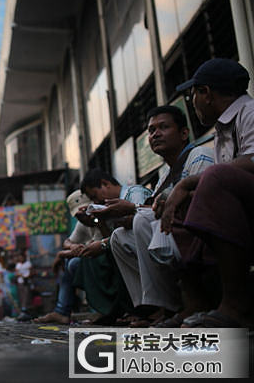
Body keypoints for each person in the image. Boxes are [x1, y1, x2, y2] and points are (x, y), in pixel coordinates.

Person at [161, 58, 254, 327]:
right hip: (242, 206)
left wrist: (186, 183)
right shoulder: (222, 129)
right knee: (181, 205)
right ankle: (199, 302)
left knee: (212, 179)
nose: (193, 101)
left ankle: (237, 306)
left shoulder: (249, 111)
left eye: (193, 94)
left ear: (206, 93)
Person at [109, 106, 214, 326]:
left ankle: (177, 307)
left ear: (184, 133)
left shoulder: (199, 156)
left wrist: (134, 210)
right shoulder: (164, 175)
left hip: (199, 232)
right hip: (173, 231)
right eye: (151, 130)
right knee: (119, 237)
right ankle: (155, 308)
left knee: (141, 221)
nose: (155, 134)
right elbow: (156, 209)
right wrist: (129, 214)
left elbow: (202, 202)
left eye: (163, 127)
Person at [72, 170, 152, 324]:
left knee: (109, 249)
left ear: (105, 184)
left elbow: (139, 219)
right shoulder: (107, 207)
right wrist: (100, 220)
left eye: (95, 196)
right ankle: (121, 310)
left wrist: (103, 242)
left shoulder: (133, 193)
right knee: (92, 258)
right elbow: (110, 236)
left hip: (146, 242)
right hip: (125, 245)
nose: (97, 200)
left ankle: (142, 310)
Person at [34, 190, 101, 324]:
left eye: (85, 211)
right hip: (95, 260)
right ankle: (62, 311)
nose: (83, 217)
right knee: (70, 262)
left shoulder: (100, 218)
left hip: (105, 261)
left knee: (74, 263)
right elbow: (68, 242)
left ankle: (97, 309)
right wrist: (70, 248)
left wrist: (62, 254)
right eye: (79, 215)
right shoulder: (83, 222)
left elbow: (90, 250)